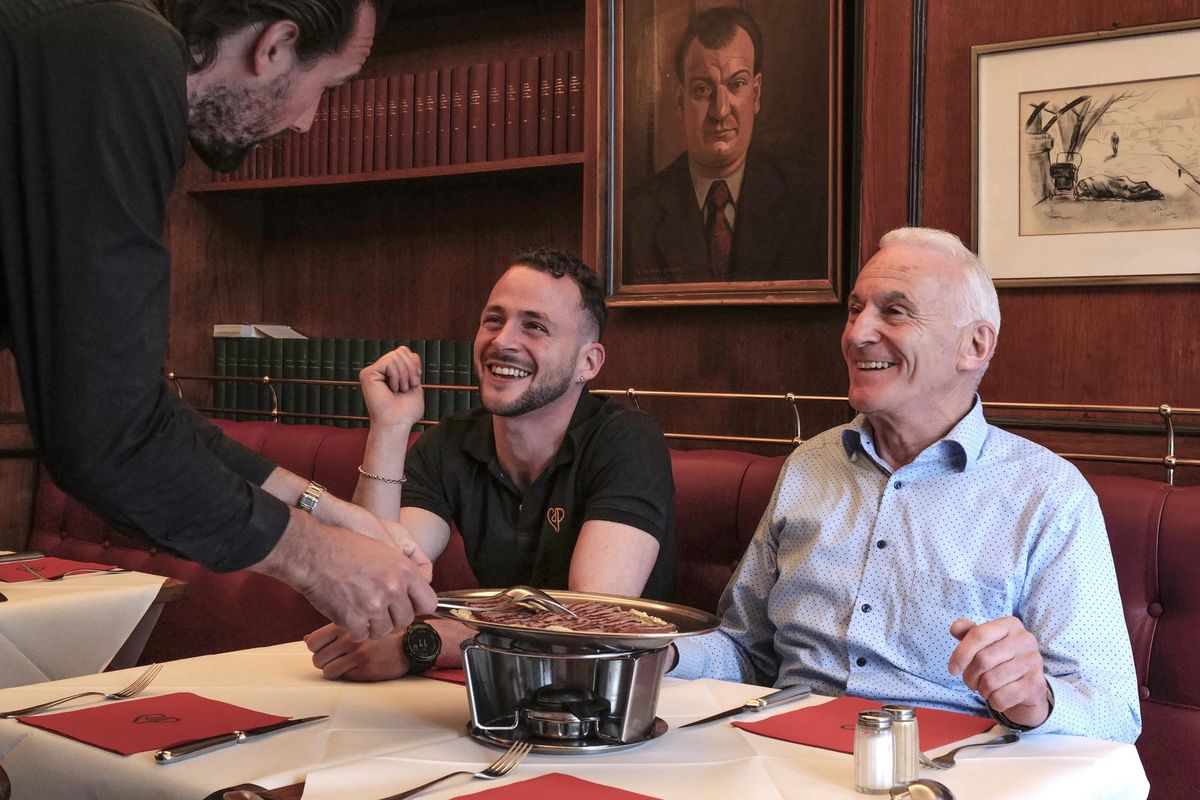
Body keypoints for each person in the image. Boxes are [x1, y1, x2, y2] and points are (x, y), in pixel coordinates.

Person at [0, 0, 437, 643]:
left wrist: (326, 510)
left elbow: (136, 412)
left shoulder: (84, 42)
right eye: (327, 87)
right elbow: (108, 437)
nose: (307, 123)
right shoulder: (121, 54)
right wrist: (317, 558)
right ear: (276, 45)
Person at [668, 227, 1141, 744]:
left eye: (894, 312)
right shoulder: (808, 466)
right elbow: (744, 650)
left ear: (974, 345)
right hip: (782, 752)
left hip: (951, 765)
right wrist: (648, 651)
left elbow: (1115, 712)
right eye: (855, 310)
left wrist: (1035, 699)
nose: (857, 334)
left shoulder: (1046, 493)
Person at [306, 249, 676, 680]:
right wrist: (390, 428)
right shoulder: (451, 442)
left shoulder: (627, 441)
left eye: (534, 326)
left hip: (616, 696)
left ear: (587, 363)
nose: (502, 341)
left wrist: (426, 643)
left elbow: (586, 626)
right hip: (498, 684)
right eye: (494, 320)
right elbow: (372, 585)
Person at [622, 6, 817, 285]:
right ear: (681, 101)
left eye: (736, 84)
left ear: (756, 94)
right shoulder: (636, 216)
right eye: (702, 89)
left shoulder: (809, 201)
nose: (720, 110)